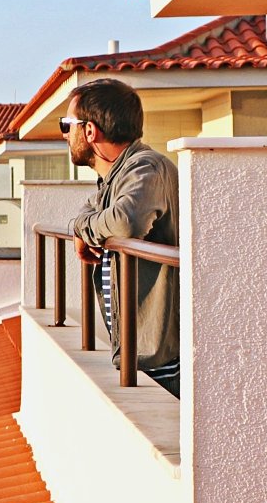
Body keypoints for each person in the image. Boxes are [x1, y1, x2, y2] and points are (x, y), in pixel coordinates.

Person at [64, 78, 180, 396]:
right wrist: (80, 228)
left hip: (161, 360)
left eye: (67, 124)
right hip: (138, 352)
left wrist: (82, 229)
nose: (64, 134)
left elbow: (126, 222)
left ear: (90, 131)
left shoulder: (147, 167)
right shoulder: (112, 179)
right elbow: (85, 217)